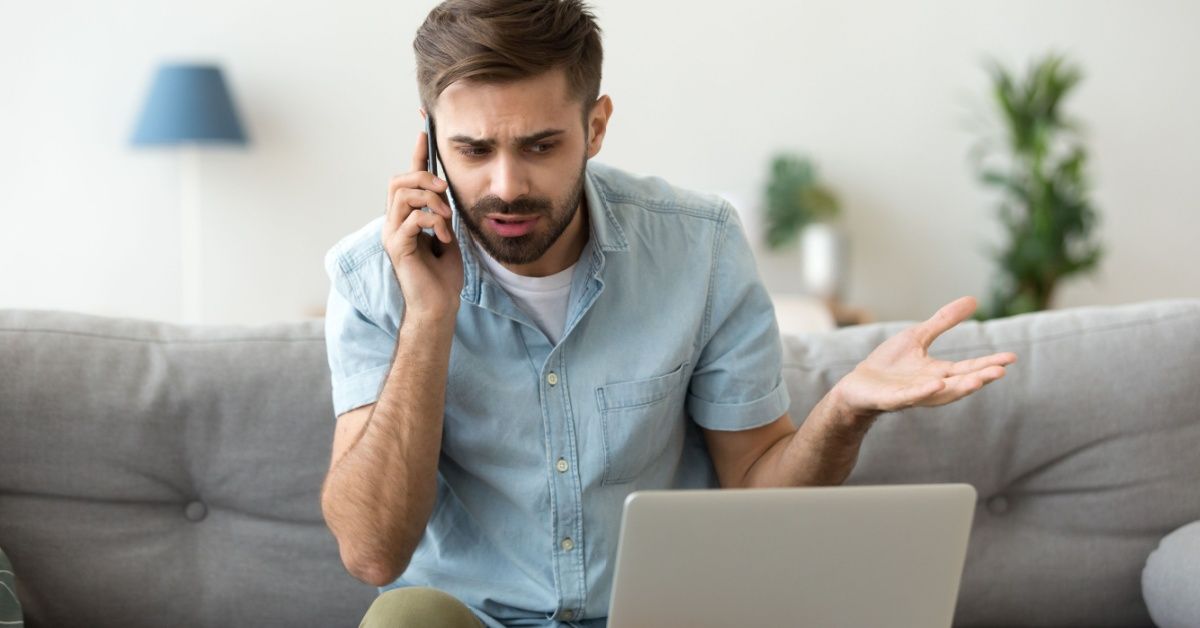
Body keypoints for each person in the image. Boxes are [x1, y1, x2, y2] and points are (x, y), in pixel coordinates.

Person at [319, 1, 1018, 626]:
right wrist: (429, 317)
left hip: (662, 615)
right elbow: (373, 556)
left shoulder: (699, 247)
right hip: (473, 618)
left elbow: (755, 486)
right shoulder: (371, 277)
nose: (507, 186)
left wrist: (844, 411)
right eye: (473, 149)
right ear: (432, 139)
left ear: (595, 127)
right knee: (402, 619)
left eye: (540, 145)